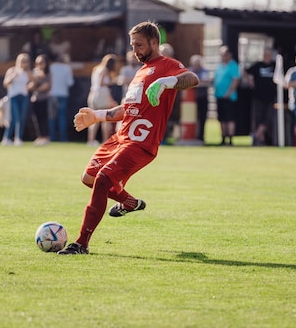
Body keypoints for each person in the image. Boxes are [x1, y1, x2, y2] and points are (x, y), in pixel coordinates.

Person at [57, 21, 199, 255]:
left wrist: (168, 81)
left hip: (141, 144)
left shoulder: (167, 65)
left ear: (155, 42)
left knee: (103, 179)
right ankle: (131, 203)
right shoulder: (140, 72)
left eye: (140, 45)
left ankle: (81, 243)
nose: (135, 51)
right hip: (120, 138)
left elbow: (192, 78)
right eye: (133, 45)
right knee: (89, 178)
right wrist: (98, 116)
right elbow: (128, 108)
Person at [245, 48, 276, 146]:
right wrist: (249, 80)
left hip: (271, 97)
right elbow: (245, 71)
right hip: (258, 96)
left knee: (268, 118)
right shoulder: (257, 65)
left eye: (269, 54)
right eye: (265, 54)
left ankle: (256, 135)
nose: (267, 56)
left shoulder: (275, 65)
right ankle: (260, 139)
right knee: (258, 118)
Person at [87, 53, 118, 146]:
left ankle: (91, 140)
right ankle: (105, 141)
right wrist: (113, 82)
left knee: (94, 119)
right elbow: (101, 84)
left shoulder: (96, 69)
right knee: (105, 119)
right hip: (100, 96)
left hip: (93, 95)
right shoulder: (104, 70)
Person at [1, 53, 32, 146]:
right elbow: (5, 83)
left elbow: (33, 83)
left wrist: (29, 87)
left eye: (25, 61)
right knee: (15, 118)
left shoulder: (28, 72)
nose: (23, 63)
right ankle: (6, 137)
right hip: (13, 96)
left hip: (24, 96)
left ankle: (18, 138)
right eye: (22, 61)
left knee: (22, 118)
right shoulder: (12, 70)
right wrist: (12, 76)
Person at [213, 45, 240, 146]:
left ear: (229, 55)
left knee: (230, 118)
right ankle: (223, 138)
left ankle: (230, 139)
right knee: (222, 118)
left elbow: (235, 80)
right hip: (219, 95)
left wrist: (228, 93)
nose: (222, 57)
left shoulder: (233, 65)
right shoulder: (219, 65)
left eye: (224, 55)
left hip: (229, 97)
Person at [48, 53, 74, 142]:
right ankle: (63, 138)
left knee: (52, 117)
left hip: (52, 94)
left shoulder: (52, 67)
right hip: (63, 94)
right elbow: (70, 83)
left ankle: (52, 137)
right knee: (62, 117)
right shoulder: (67, 68)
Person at [29, 54, 52, 146]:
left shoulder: (48, 73)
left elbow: (47, 86)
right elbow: (31, 85)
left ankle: (46, 137)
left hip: (44, 98)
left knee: (44, 118)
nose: (39, 65)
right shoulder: (34, 72)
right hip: (35, 99)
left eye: (41, 62)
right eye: (37, 63)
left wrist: (36, 88)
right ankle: (39, 136)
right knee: (36, 119)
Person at [188, 54, 212, 143]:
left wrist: (193, 83)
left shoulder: (204, 71)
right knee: (190, 118)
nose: (196, 66)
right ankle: (190, 135)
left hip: (202, 98)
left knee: (202, 118)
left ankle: (201, 136)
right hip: (190, 101)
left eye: (198, 63)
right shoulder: (188, 71)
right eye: (195, 63)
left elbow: (205, 82)